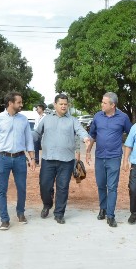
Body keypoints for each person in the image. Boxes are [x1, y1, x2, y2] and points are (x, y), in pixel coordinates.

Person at [35, 94, 90, 224]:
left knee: (63, 187)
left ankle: (59, 213)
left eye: (65, 104)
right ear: (55, 105)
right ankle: (47, 204)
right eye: (61, 104)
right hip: (48, 159)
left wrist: (85, 138)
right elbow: (37, 133)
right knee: (44, 185)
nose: (64, 106)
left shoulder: (72, 120)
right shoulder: (46, 119)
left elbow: (81, 131)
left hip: (66, 161)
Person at [0, 91, 35, 231]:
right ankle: (4, 219)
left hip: (20, 158)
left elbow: (29, 141)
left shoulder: (24, 120)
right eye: (19, 102)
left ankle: (20, 213)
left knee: (22, 188)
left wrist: (32, 158)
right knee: (2, 190)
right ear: (10, 103)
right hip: (2, 158)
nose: (21, 104)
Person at [85, 92, 133, 228]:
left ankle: (111, 216)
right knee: (101, 185)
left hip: (114, 157)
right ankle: (103, 209)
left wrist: (128, 154)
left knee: (112, 187)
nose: (102, 104)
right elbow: (93, 135)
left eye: (104, 103)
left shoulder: (123, 118)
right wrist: (88, 151)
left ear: (113, 105)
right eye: (102, 102)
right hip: (99, 157)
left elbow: (132, 133)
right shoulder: (97, 116)